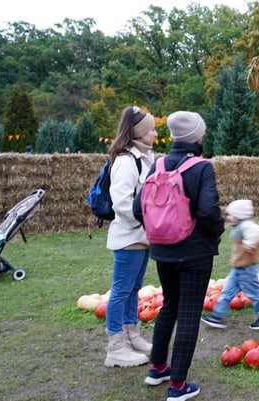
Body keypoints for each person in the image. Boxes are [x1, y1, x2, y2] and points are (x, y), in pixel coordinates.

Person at [134, 111, 224, 401]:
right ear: (196, 136)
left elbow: (137, 209)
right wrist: (217, 232)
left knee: (169, 306)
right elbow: (208, 212)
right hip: (194, 252)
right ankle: (178, 386)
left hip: (163, 251)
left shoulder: (158, 164)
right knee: (188, 313)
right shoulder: (202, 167)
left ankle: (157, 368)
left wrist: (159, 228)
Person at [104, 106, 157, 368]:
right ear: (139, 133)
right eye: (151, 130)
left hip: (142, 236)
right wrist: (148, 219)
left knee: (133, 289)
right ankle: (115, 347)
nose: (155, 133)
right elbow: (122, 204)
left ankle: (131, 335)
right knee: (121, 291)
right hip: (130, 237)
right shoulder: (126, 161)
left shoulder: (145, 157)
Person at [200, 199, 259, 331]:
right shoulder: (240, 226)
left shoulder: (247, 225)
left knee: (254, 294)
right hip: (238, 269)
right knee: (227, 292)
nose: (228, 217)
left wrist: (250, 244)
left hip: (247, 269)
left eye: (231, 215)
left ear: (240, 215)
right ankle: (217, 316)